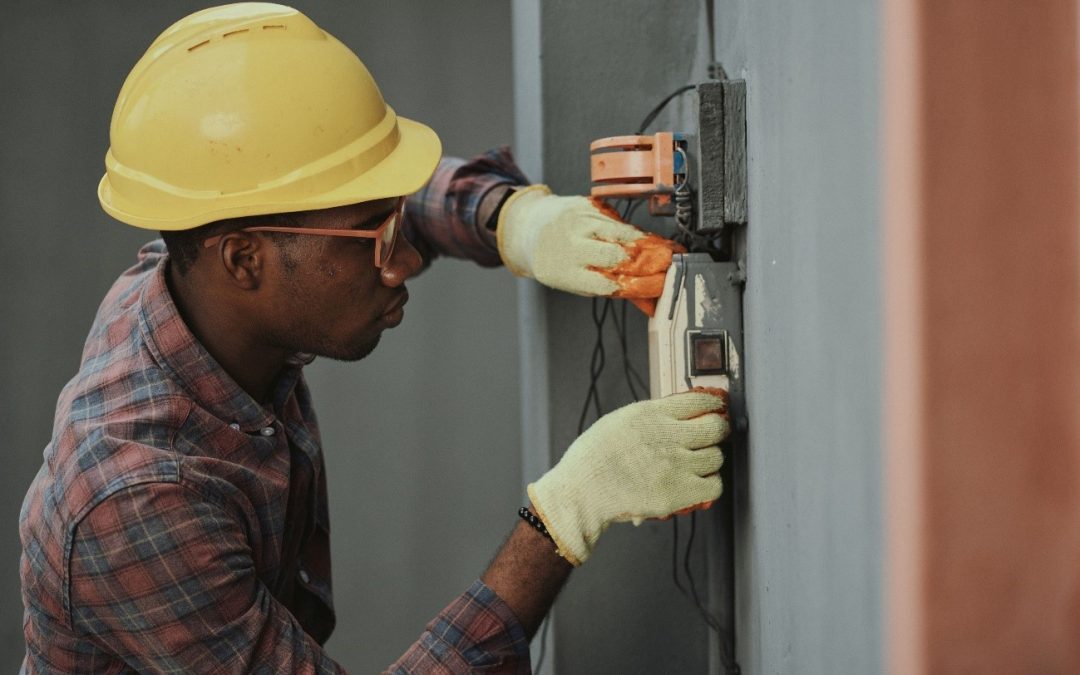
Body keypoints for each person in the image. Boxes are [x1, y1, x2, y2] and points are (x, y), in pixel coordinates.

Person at [18, 4, 729, 673]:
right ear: (243, 260)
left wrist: (512, 220)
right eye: (376, 237)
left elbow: (347, 204)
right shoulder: (136, 499)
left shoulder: (198, 275)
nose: (406, 260)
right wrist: (563, 518)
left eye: (393, 221)